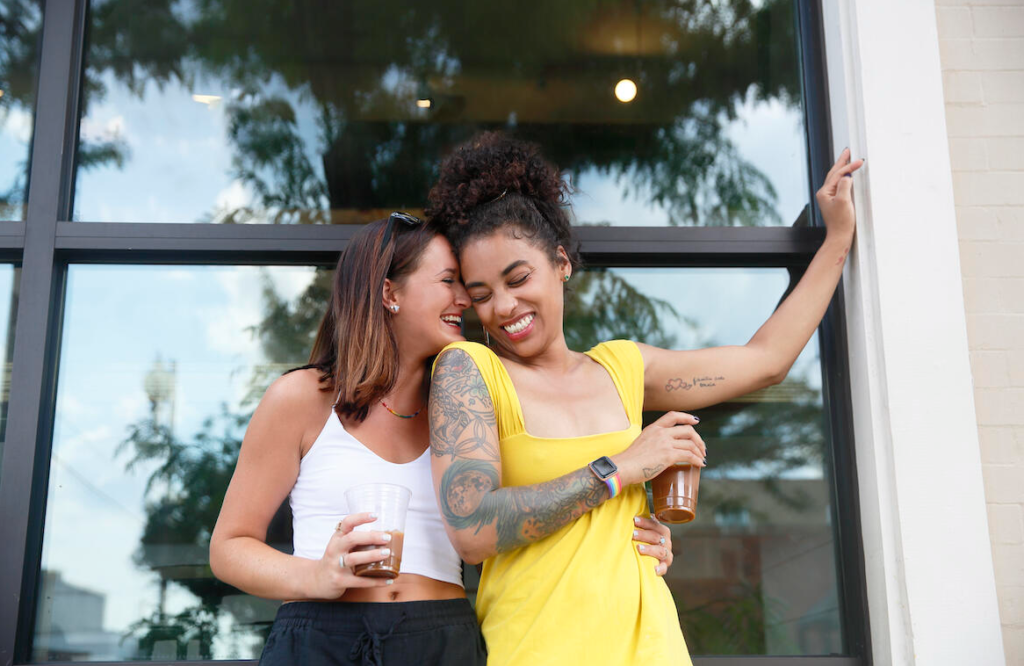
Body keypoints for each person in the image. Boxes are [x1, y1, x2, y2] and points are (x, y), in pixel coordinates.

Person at [424, 132, 863, 665]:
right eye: (482, 295)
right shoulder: (470, 370)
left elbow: (766, 362)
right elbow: (472, 529)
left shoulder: (623, 368)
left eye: (519, 278)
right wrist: (621, 470)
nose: (504, 306)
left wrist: (838, 238)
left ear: (561, 262)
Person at [209, 213, 674, 666]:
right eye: (449, 281)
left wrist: (626, 530)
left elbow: (533, 503)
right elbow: (229, 548)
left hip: (442, 639)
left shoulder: (469, 410)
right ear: (389, 292)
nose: (466, 301)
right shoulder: (303, 398)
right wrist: (315, 574)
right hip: (321, 636)